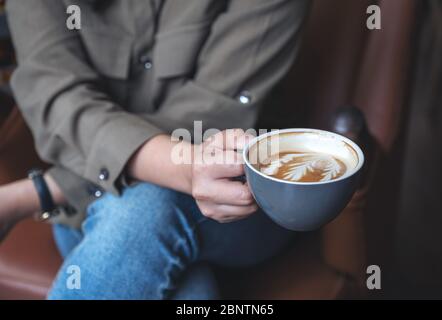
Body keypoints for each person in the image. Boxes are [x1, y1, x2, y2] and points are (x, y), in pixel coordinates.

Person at [0, 0, 310, 299]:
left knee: (149, 202)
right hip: (101, 209)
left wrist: (46, 189)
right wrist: (176, 165)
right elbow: (60, 102)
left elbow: (213, 117)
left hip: (243, 205)